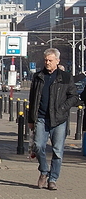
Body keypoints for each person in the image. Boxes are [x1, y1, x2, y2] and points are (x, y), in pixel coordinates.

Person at [28, 48, 78, 190]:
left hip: (59, 120)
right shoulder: (38, 76)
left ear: (57, 61)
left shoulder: (65, 77)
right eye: (45, 60)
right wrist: (31, 119)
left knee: (57, 151)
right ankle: (44, 171)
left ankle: (53, 179)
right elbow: (33, 98)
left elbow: (73, 96)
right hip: (41, 118)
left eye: (50, 60)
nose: (47, 63)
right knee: (38, 146)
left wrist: (62, 108)